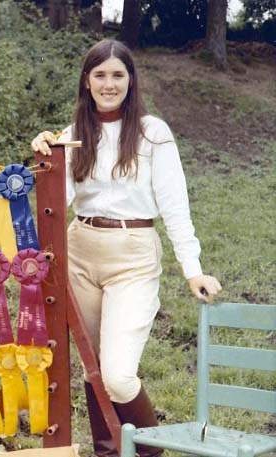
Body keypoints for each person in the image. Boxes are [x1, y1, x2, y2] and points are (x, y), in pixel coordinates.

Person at [31, 39, 221, 457]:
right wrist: (46, 157)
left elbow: (175, 205)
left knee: (117, 375)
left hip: (133, 254)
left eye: (118, 74)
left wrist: (193, 269)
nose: (109, 83)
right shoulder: (73, 134)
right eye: (100, 75)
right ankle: (109, 453)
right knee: (92, 368)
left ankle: (149, 452)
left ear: (131, 80)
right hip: (80, 250)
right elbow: (53, 203)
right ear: (86, 81)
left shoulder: (153, 133)